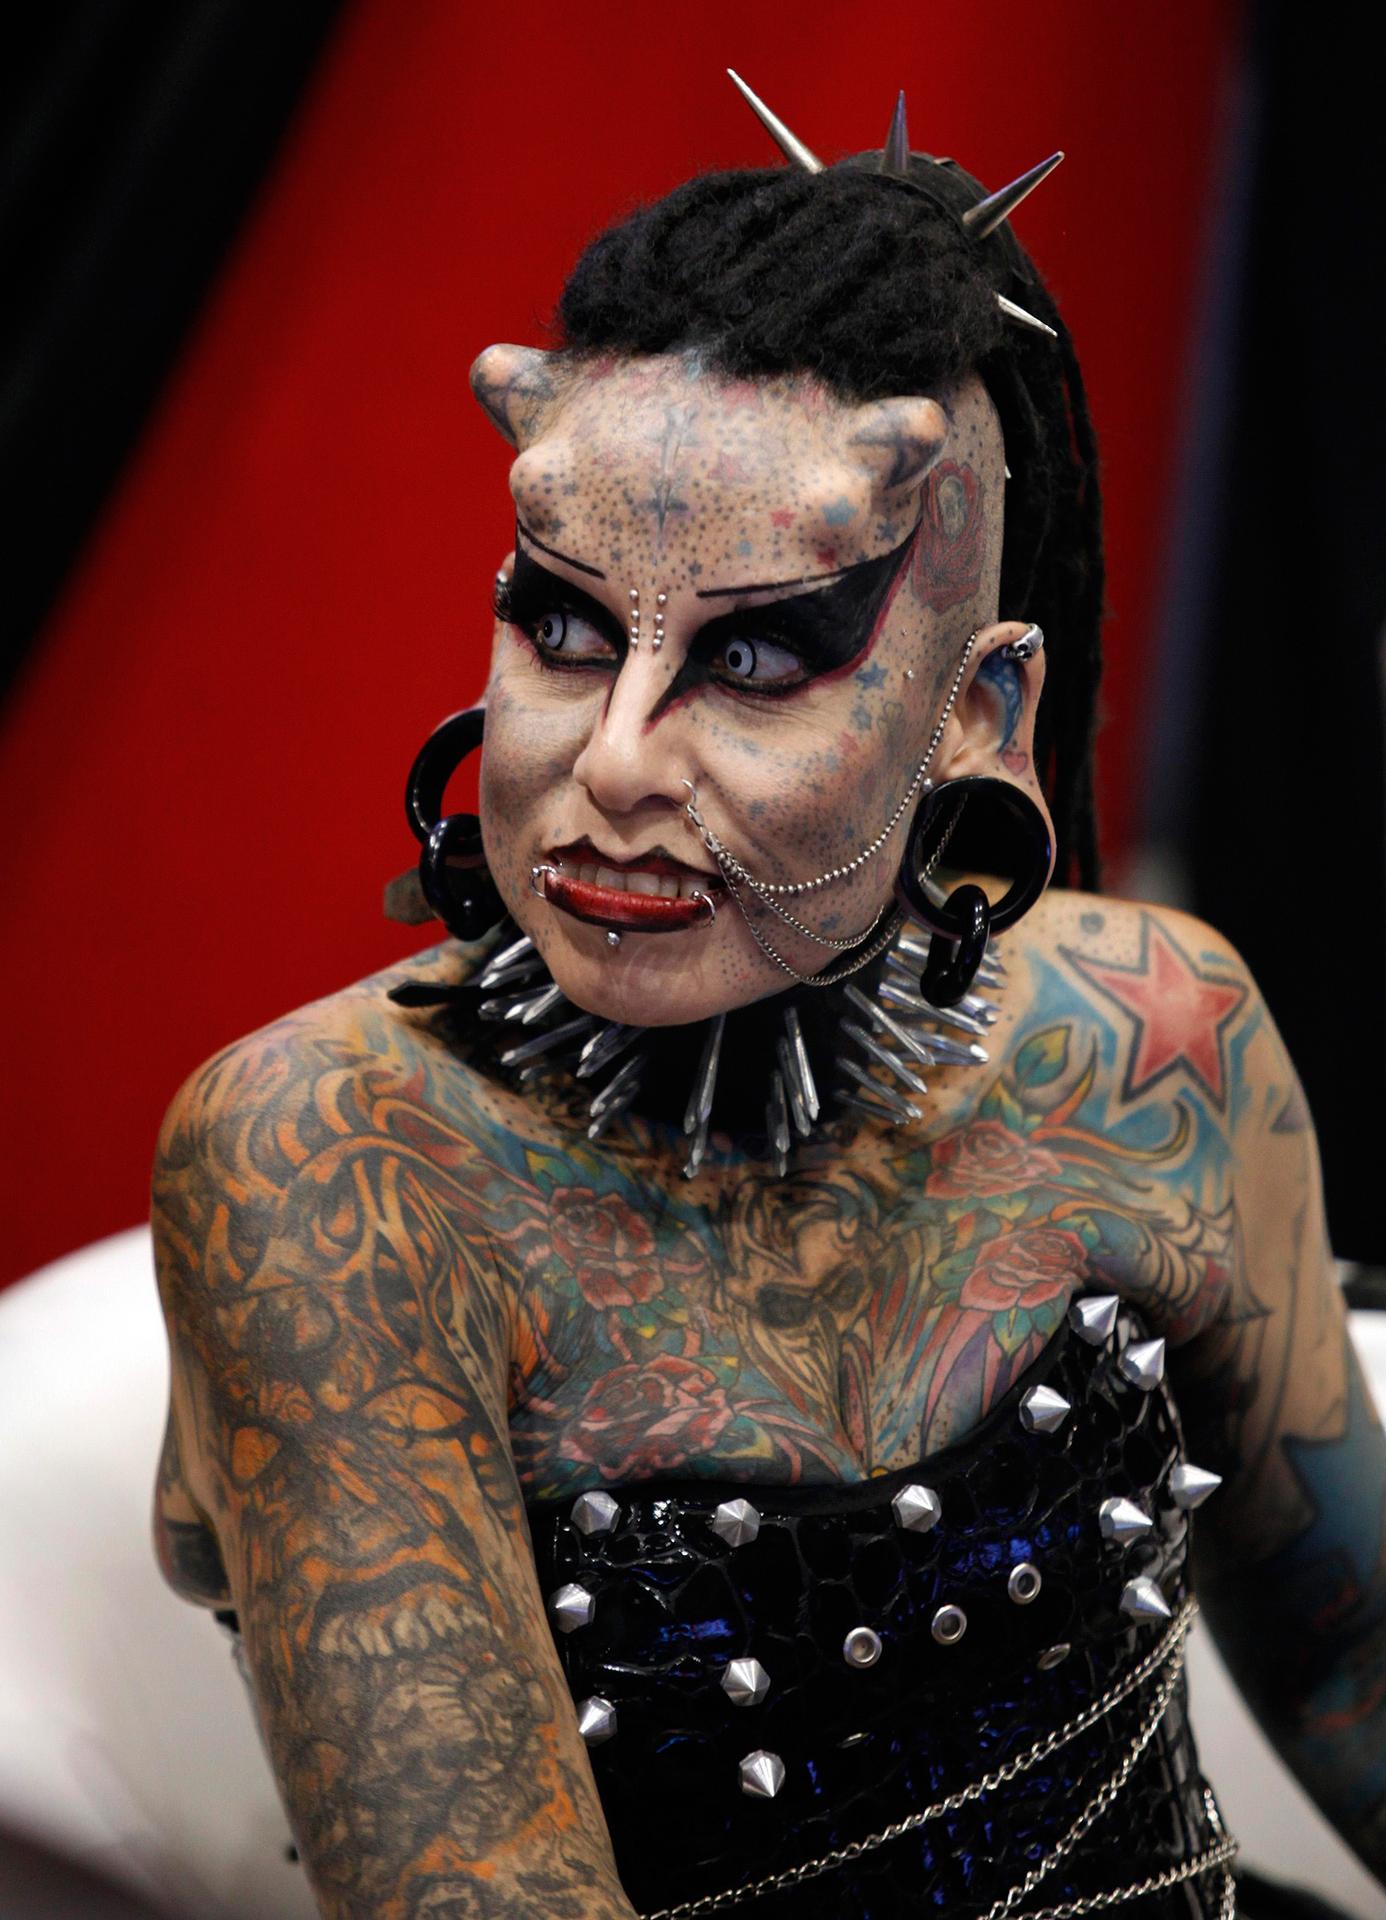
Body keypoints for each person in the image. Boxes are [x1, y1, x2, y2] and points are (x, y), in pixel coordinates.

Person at [150, 74, 1386, 1920]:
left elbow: (1358, 1675)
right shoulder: (337, 1165)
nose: (611, 762)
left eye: (753, 660)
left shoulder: (1150, 1037)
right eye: (563, 626)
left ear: (979, 710)